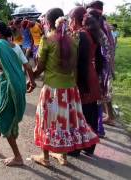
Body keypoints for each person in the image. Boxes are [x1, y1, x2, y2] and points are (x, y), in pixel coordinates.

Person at [31, 8, 99, 167]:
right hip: (70, 90)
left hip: (52, 90)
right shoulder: (74, 40)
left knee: (47, 122)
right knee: (65, 123)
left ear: (48, 22)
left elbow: (39, 68)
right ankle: (63, 156)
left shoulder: (47, 40)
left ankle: (45, 157)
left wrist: (30, 77)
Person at [0, 21, 36, 166]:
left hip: (8, 87)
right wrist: (32, 83)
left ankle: (18, 157)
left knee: (4, 118)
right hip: (18, 84)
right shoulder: (15, 47)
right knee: (4, 114)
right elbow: (27, 66)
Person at [68, 6, 103, 157]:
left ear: (75, 19)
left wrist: (79, 84)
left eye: (70, 19)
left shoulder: (80, 35)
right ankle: (89, 147)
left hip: (83, 78)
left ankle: (75, 148)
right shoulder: (91, 32)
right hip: (91, 75)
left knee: (78, 114)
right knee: (90, 113)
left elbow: (79, 62)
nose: (69, 22)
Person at [87, 1, 116, 130]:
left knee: (100, 94)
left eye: (88, 12)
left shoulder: (98, 27)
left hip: (101, 65)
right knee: (105, 93)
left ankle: (99, 125)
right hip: (106, 64)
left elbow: (104, 49)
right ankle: (109, 117)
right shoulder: (105, 25)